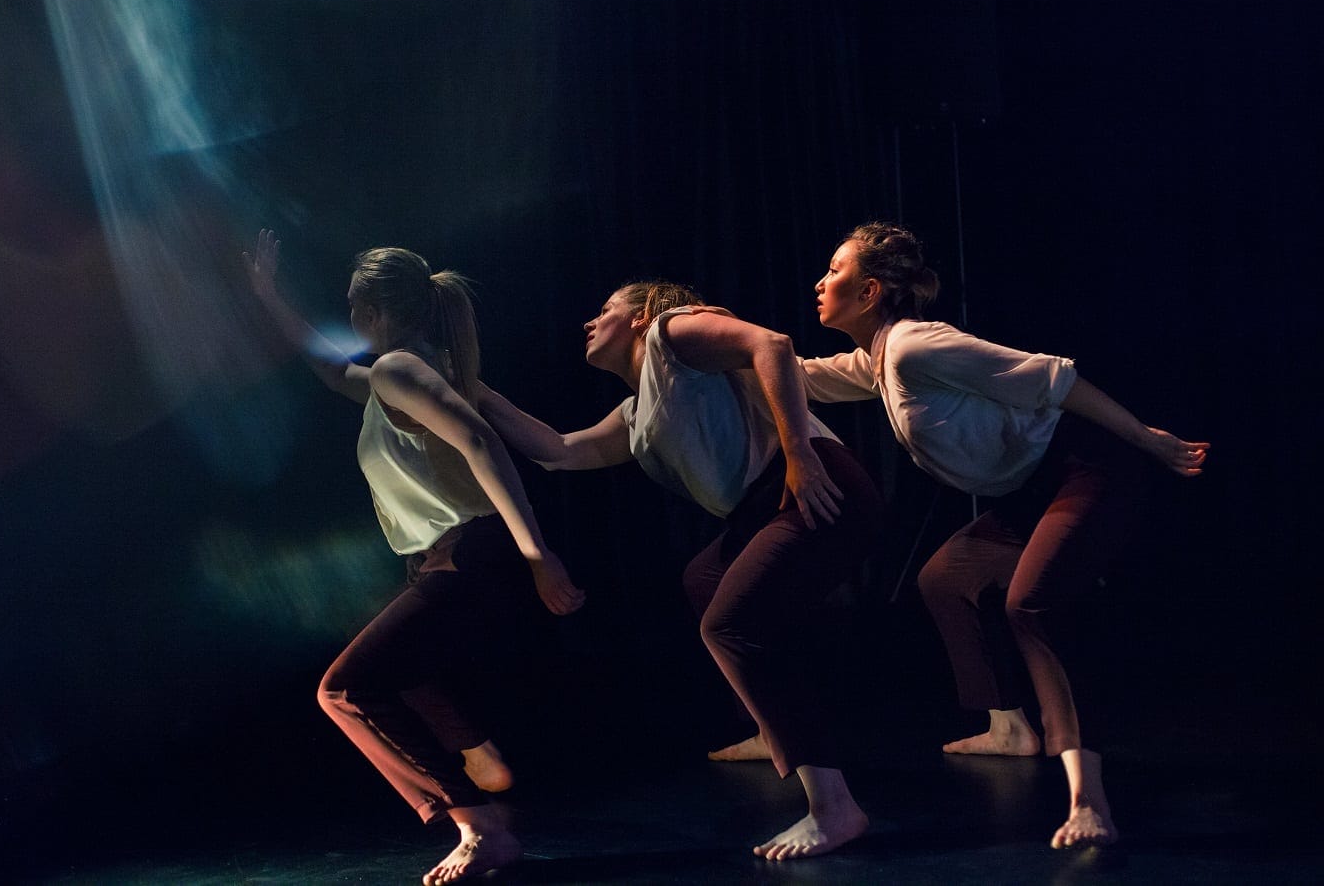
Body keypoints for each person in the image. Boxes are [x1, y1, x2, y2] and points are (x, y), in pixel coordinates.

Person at [798, 222, 1210, 849]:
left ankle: (1089, 800)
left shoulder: (915, 347)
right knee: (947, 577)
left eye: (835, 271)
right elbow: (795, 376)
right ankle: (1009, 728)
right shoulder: (877, 360)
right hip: (1033, 489)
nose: (820, 282)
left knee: (1031, 603)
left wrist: (1146, 438)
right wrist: (711, 350)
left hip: (1086, 466)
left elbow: (1053, 378)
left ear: (871, 290)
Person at [474, 281, 884, 861]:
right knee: (705, 580)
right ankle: (776, 731)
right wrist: (472, 389)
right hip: (761, 507)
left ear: (642, 315)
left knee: (730, 624)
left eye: (605, 310)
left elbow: (772, 344)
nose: (589, 322)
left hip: (812, 483)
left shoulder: (672, 332)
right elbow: (560, 450)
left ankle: (834, 807)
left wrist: (800, 452)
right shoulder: (638, 408)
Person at [243, 229, 585, 886]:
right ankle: (478, 756)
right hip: (449, 557)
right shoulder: (419, 376)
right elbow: (332, 369)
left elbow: (481, 442)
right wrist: (269, 297)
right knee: (401, 668)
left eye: (352, 304)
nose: (347, 315)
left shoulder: (402, 370)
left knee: (342, 691)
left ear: (372, 311)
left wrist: (537, 553)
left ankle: (478, 823)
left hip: (470, 552)